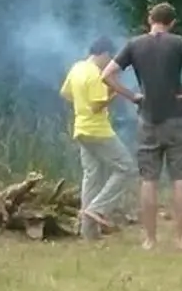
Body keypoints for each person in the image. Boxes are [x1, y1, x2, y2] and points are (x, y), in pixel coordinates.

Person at [105, 2, 182, 251]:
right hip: (176, 117)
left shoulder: (134, 44)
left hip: (147, 118)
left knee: (149, 179)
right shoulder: (179, 43)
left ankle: (150, 240)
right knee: (179, 178)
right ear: (172, 22)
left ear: (149, 19)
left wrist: (131, 96)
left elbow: (107, 75)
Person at [59, 37, 138, 238]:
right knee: (127, 168)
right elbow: (96, 106)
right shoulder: (96, 74)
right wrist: (114, 93)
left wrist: (82, 103)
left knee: (92, 176)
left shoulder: (77, 67)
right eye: (110, 57)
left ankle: (89, 233)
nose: (111, 62)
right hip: (97, 130)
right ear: (103, 54)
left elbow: (65, 93)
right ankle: (97, 209)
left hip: (80, 128)